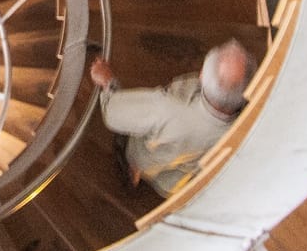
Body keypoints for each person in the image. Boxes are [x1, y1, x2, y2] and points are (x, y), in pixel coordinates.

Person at [89, 40, 256, 197]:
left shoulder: (166, 108)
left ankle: (133, 173)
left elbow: (113, 114)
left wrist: (107, 82)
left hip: (148, 161)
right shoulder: (250, 125)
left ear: (201, 75)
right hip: (179, 181)